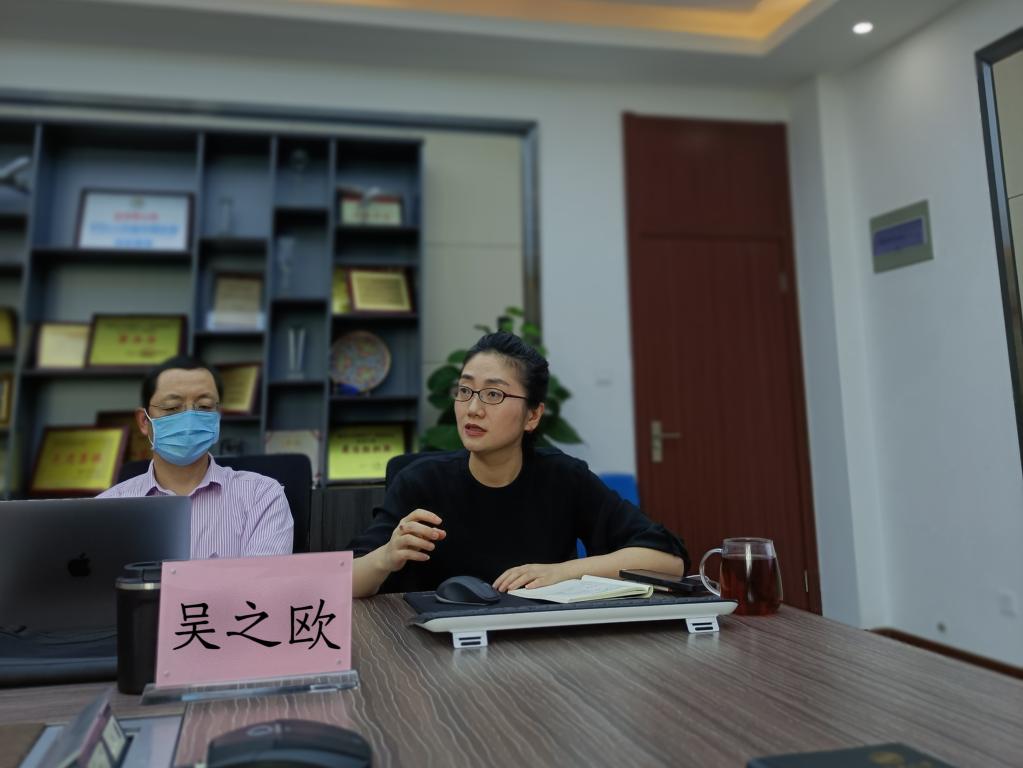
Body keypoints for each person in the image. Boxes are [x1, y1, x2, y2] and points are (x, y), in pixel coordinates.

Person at [350, 332, 688, 598]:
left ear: (533, 415)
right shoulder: (420, 482)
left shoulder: (563, 478)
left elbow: (668, 561)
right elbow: (344, 581)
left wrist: (563, 572)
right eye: (465, 390)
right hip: (436, 651)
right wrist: (385, 556)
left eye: (493, 395)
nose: (473, 409)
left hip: (538, 645)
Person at [98, 355, 293, 559]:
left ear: (218, 417)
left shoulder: (261, 497)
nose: (189, 420)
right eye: (172, 408)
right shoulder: (105, 509)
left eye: (205, 407)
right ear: (144, 422)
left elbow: (263, 578)